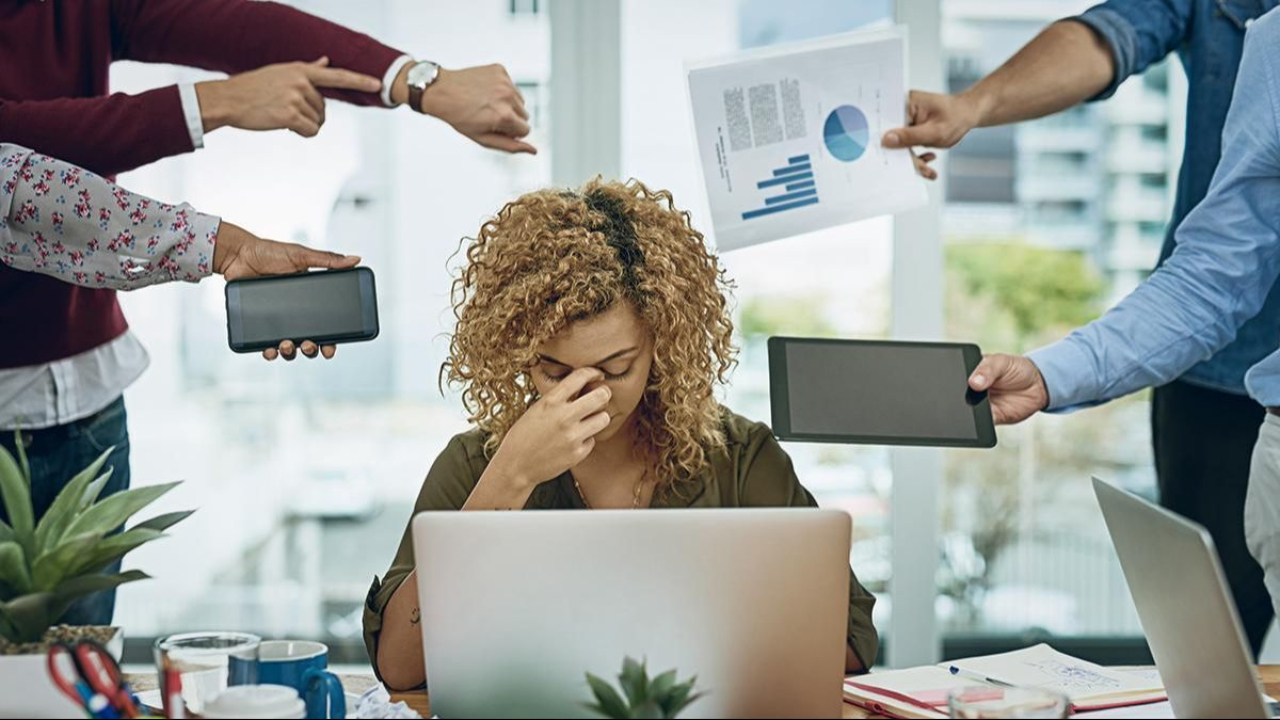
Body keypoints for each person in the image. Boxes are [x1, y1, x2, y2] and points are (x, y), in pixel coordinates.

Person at [0, 0, 534, 627]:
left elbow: (231, 25)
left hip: (89, 402)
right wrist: (213, 104)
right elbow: (14, 168)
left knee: (80, 667)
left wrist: (419, 82)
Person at [361, 179, 880, 690]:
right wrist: (512, 476)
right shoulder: (479, 462)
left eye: (616, 369)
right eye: (556, 373)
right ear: (520, 355)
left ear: (661, 343)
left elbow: (850, 644)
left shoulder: (739, 458)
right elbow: (400, 668)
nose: (591, 397)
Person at [883, 0, 1280, 654]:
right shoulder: (1273, 45)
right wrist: (1052, 373)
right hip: (1240, 405)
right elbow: (1217, 275)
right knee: (1209, 664)